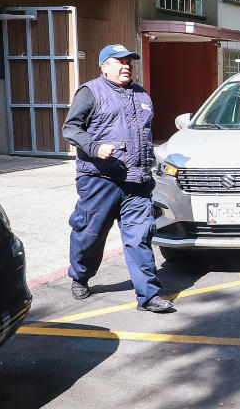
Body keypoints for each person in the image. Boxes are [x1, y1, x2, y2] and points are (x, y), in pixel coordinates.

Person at [62, 43, 174, 313]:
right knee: (90, 235)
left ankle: (148, 297)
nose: (126, 66)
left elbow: (143, 135)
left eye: (129, 62)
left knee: (140, 237)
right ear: (104, 66)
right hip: (100, 179)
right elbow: (71, 128)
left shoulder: (142, 94)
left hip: (136, 182)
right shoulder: (90, 92)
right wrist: (94, 147)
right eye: (118, 61)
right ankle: (80, 275)